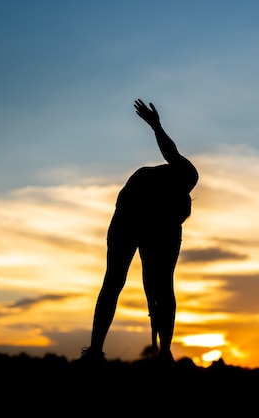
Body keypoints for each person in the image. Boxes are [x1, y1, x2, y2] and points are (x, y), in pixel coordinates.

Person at [79, 99, 198, 364]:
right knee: (114, 281)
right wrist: (156, 125)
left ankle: (165, 352)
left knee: (162, 288)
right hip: (127, 215)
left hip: (139, 217)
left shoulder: (168, 228)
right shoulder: (185, 175)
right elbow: (171, 151)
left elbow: (159, 286)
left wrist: (154, 311)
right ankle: (95, 351)